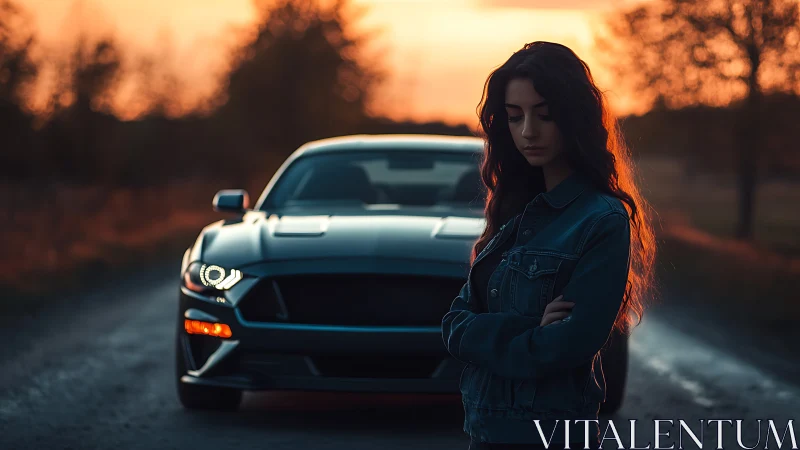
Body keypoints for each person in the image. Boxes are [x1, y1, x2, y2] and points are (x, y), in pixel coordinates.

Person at [441, 41, 657, 450]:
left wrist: (485, 334)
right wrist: (530, 328)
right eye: (515, 116)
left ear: (573, 117)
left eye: (545, 115)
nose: (528, 131)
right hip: (483, 429)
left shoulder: (602, 219)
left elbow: (568, 345)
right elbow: (453, 324)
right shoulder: (511, 211)